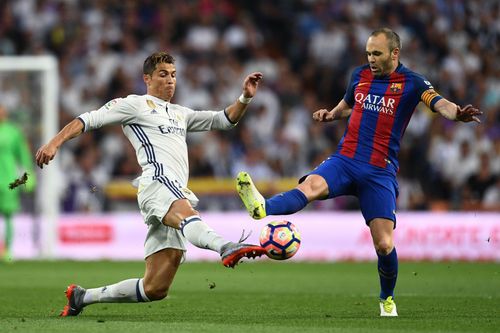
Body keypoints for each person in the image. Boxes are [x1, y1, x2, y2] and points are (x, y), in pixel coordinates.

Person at [236, 28, 482, 317]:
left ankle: (386, 298)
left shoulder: (412, 82)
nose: (371, 59)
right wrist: (330, 113)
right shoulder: (359, 75)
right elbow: (347, 106)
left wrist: (456, 113)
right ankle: (262, 207)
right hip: (345, 159)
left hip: (379, 172)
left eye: (377, 53)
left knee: (384, 243)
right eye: (368, 53)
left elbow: (439, 103)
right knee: (310, 187)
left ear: (394, 53)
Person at [35, 52, 265, 316]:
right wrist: (54, 142)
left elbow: (224, 120)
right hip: (156, 182)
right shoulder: (135, 104)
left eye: (174, 75)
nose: (170, 81)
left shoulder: (180, 114)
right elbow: (88, 119)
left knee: (155, 288)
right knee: (186, 212)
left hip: (174, 189)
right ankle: (225, 247)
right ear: (147, 78)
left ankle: (82, 296)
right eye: (163, 74)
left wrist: (245, 97)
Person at [0, 105, 36, 262]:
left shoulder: (13, 132)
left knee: (8, 215)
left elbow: (23, 156)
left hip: (8, 180)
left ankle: (8, 251)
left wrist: (29, 176)